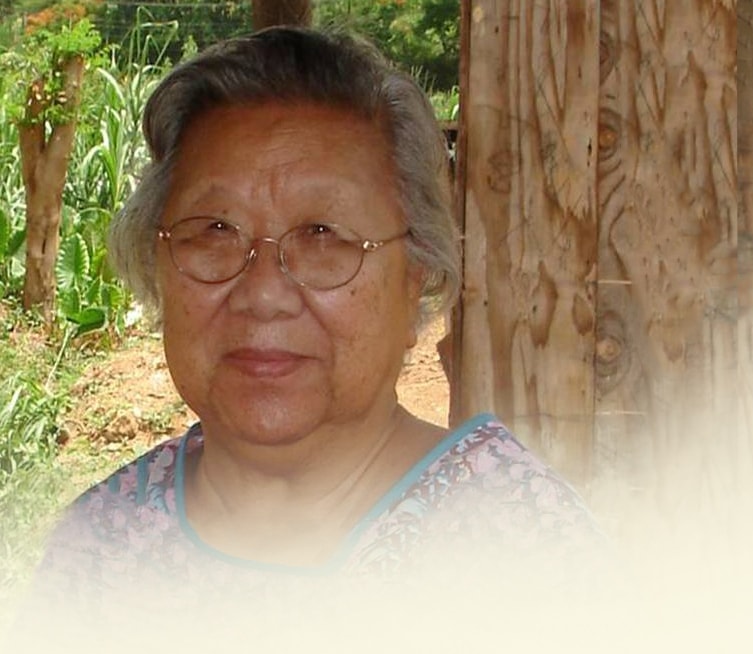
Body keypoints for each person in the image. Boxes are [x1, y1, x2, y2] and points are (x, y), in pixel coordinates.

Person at [14, 26, 603, 644]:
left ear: (415, 279)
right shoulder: (100, 549)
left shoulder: (523, 552)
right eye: (214, 229)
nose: (263, 293)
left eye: (324, 234)